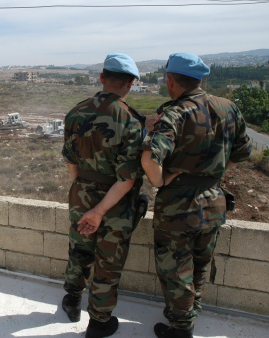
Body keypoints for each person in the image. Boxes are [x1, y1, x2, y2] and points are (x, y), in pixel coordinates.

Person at [141, 53, 252, 338]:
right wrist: (213, 174)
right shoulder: (228, 108)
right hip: (214, 200)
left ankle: (181, 328)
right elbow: (243, 153)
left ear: (170, 81)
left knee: (176, 270)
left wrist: (161, 181)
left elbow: (150, 158)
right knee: (201, 263)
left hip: (178, 207)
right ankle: (190, 311)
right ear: (200, 79)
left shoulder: (176, 112)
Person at [61, 52, 145, 338]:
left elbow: (70, 160)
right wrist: (100, 210)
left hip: (81, 191)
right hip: (115, 203)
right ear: (130, 84)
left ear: (101, 77)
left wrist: (82, 189)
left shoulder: (76, 112)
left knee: (80, 249)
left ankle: (72, 300)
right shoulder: (131, 120)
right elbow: (127, 177)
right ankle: (98, 323)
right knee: (108, 262)